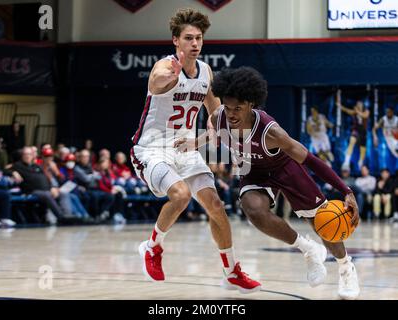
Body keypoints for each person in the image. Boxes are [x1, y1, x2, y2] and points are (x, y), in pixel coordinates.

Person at [182, 66, 361, 299]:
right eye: (228, 107)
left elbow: (310, 159)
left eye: (238, 108)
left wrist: (345, 190)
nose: (232, 114)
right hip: (254, 172)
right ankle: (309, 250)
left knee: (323, 222)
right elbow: (215, 133)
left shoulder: (271, 132)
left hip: (285, 169)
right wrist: (194, 143)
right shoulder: (220, 117)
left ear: (251, 104)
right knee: (253, 210)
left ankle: (346, 267)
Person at [130, 8, 260, 292]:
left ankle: (231, 271)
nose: (195, 43)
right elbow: (155, 84)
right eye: (188, 38)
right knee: (181, 195)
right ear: (176, 40)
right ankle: (152, 247)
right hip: (152, 148)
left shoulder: (205, 71)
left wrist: (228, 139)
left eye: (199, 38)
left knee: (216, 206)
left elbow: (215, 114)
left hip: (186, 148)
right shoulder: (163, 67)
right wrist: (174, 78)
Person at [337, 99, 370, 170]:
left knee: (362, 149)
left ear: (362, 105)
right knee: (351, 142)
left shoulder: (366, 111)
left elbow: (365, 116)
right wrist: (340, 106)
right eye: (357, 104)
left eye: (360, 104)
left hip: (363, 131)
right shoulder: (354, 112)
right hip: (356, 130)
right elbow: (346, 110)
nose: (358, 106)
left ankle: (360, 162)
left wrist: (357, 111)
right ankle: (346, 161)